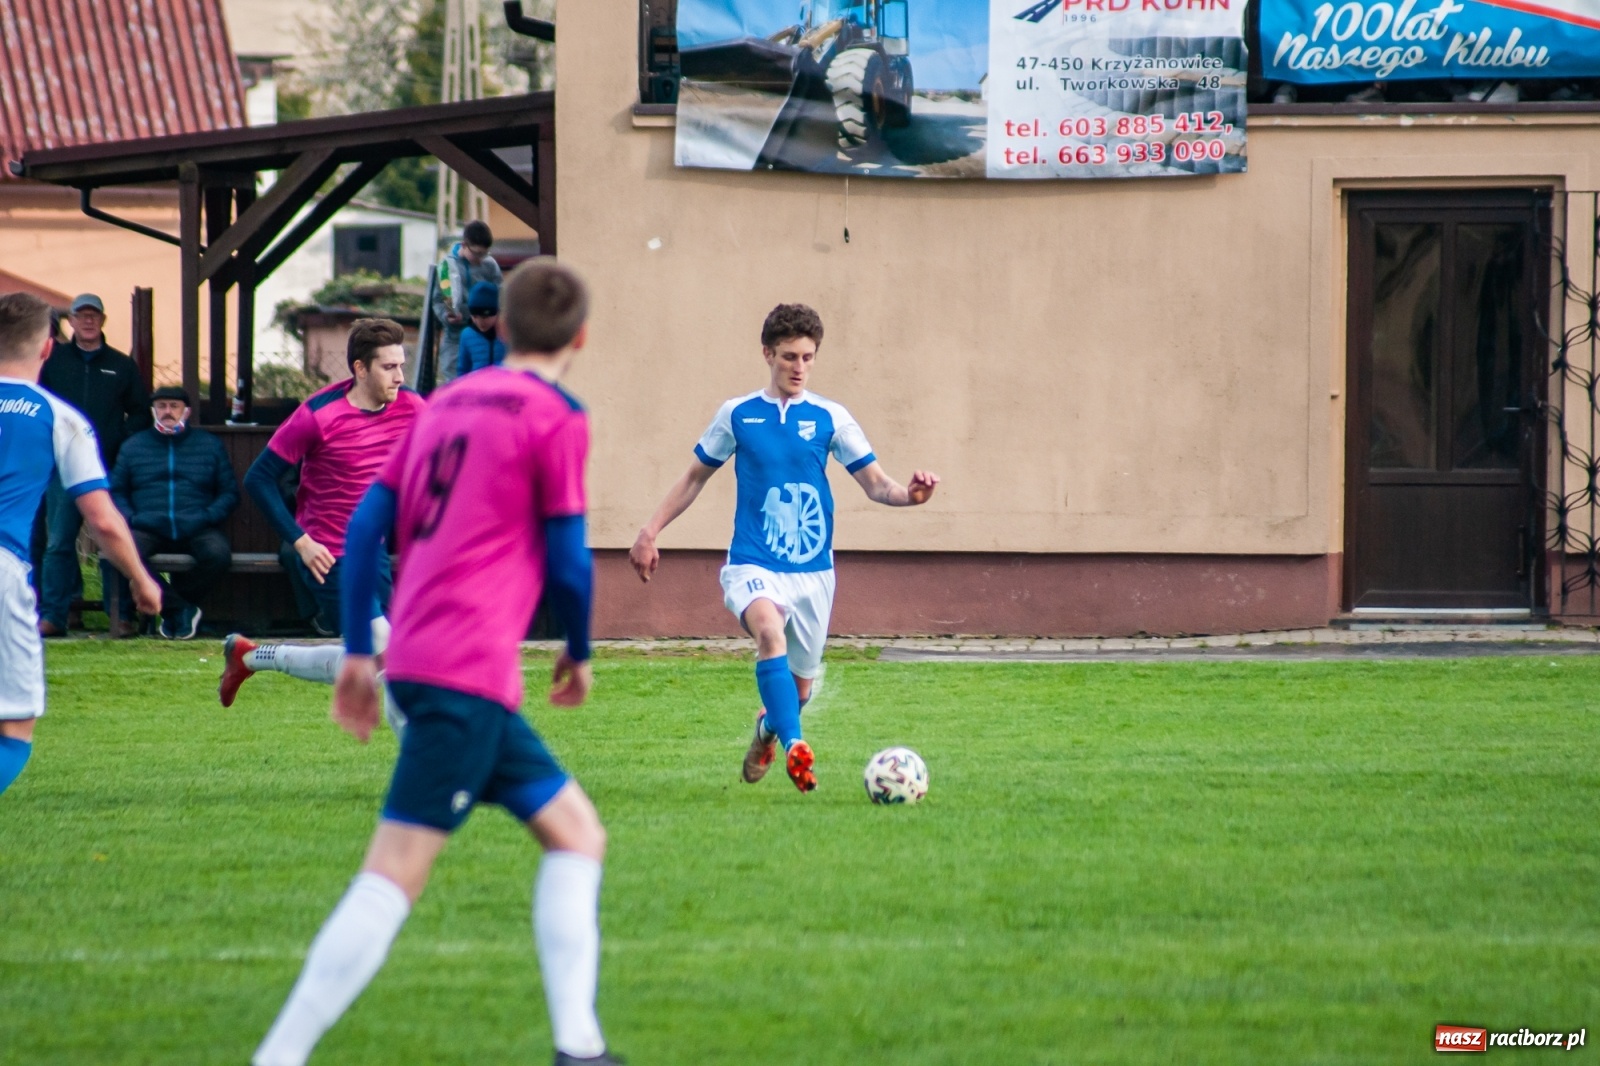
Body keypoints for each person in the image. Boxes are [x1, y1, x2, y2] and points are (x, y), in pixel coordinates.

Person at [253, 259, 621, 1066]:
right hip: (465, 673)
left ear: (504, 329)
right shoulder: (557, 413)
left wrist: (359, 654)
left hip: (427, 660)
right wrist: (579, 648)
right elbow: (569, 558)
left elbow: (361, 531)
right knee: (394, 873)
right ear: (581, 338)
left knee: (576, 834)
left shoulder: (444, 403)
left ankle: (580, 1047)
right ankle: (278, 1055)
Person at [629, 303, 939, 792]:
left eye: (808, 358)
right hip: (752, 562)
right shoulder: (737, 414)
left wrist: (912, 496)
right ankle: (796, 745)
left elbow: (878, 485)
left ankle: (768, 731)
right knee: (769, 634)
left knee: (799, 692)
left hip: (813, 573)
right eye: (790, 356)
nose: (799, 367)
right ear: (768, 354)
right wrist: (650, 531)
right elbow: (694, 478)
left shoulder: (831, 418)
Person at [0, 293, 161, 797]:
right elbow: (104, 521)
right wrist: (141, 579)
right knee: (14, 725)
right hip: (3, 571)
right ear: (48, 348)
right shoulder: (58, 417)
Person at [218, 319, 424, 706]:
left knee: (378, 664)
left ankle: (248, 657)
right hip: (329, 555)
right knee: (389, 649)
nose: (399, 376)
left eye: (401, 365)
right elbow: (259, 479)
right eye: (389, 367)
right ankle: (431, 743)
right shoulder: (317, 415)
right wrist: (301, 542)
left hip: (373, 551)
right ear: (360, 368)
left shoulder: (411, 406)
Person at [36, 292, 151, 638]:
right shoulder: (53, 362)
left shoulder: (122, 365)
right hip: (62, 466)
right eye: (81, 315)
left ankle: (121, 615)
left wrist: (118, 441)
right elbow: (38, 404)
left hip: (107, 467)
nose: (87, 321)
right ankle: (55, 615)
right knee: (58, 543)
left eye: (93, 315)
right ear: (70, 321)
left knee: (113, 540)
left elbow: (141, 412)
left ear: (102, 320)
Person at [107, 386, 240, 640]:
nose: (167, 411)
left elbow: (229, 493)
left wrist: (207, 516)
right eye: (161, 406)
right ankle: (180, 610)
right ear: (153, 410)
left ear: (186, 411)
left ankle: (176, 609)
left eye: (174, 406)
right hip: (147, 524)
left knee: (218, 555)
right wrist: (132, 518)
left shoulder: (209, 445)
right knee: (123, 552)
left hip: (197, 524)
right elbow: (117, 491)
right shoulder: (133, 446)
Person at [432, 220, 502, 385]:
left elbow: (501, 295)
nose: (480, 259)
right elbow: (438, 300)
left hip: (484, 333)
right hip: (455, 335)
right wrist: (446, 315)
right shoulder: (446, 266)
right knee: (455, 382)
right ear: (464, 245)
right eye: (477, 254)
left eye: (484, 254)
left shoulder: (490, 265)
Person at [456, 280, 507, 376]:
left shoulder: (508, 334)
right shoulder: (466, 335)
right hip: (476, 384)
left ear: (497, 312)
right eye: (474, 316)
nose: (479, 322)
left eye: (485, 317)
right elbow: (463, 370)